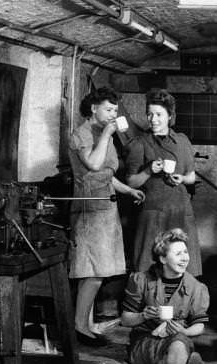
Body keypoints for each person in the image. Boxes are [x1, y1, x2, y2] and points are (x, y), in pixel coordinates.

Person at [69, 87, 145, 346]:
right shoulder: (81, 134)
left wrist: (128, 189)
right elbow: (92, 163)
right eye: (108, 109)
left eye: (115, 110)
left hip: (106, 206)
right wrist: (108, 135)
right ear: (93, 108)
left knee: (99, 271)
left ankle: (85, 324)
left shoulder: (103, 133)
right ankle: (79, 326)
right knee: (92, 271)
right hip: (89, 208)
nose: (113, 114)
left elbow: (107, 175)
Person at [121, 228, 210, 364]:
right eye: (178, 254)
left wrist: (184, 330)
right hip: (146, 337)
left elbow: (199, 325)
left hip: (177, 336)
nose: (185, 258)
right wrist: (143, 315)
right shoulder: (141, 280)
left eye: (185, 252)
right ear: (162, 258)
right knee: (160, 353)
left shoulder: (196, 287)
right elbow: (125, 320)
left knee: (178, 343)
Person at [125, 88, 202, 277]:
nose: (153, 119)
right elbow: (131, 182)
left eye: (159, 114)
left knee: (183, 267)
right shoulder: (139, 143)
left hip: (181, 212)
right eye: (150, 114)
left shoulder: (182, 141)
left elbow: (192, 175)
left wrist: (183, 178)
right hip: (153, 215)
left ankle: (180, 305)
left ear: (170, 116)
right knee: (149, 269)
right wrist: (148, 170)